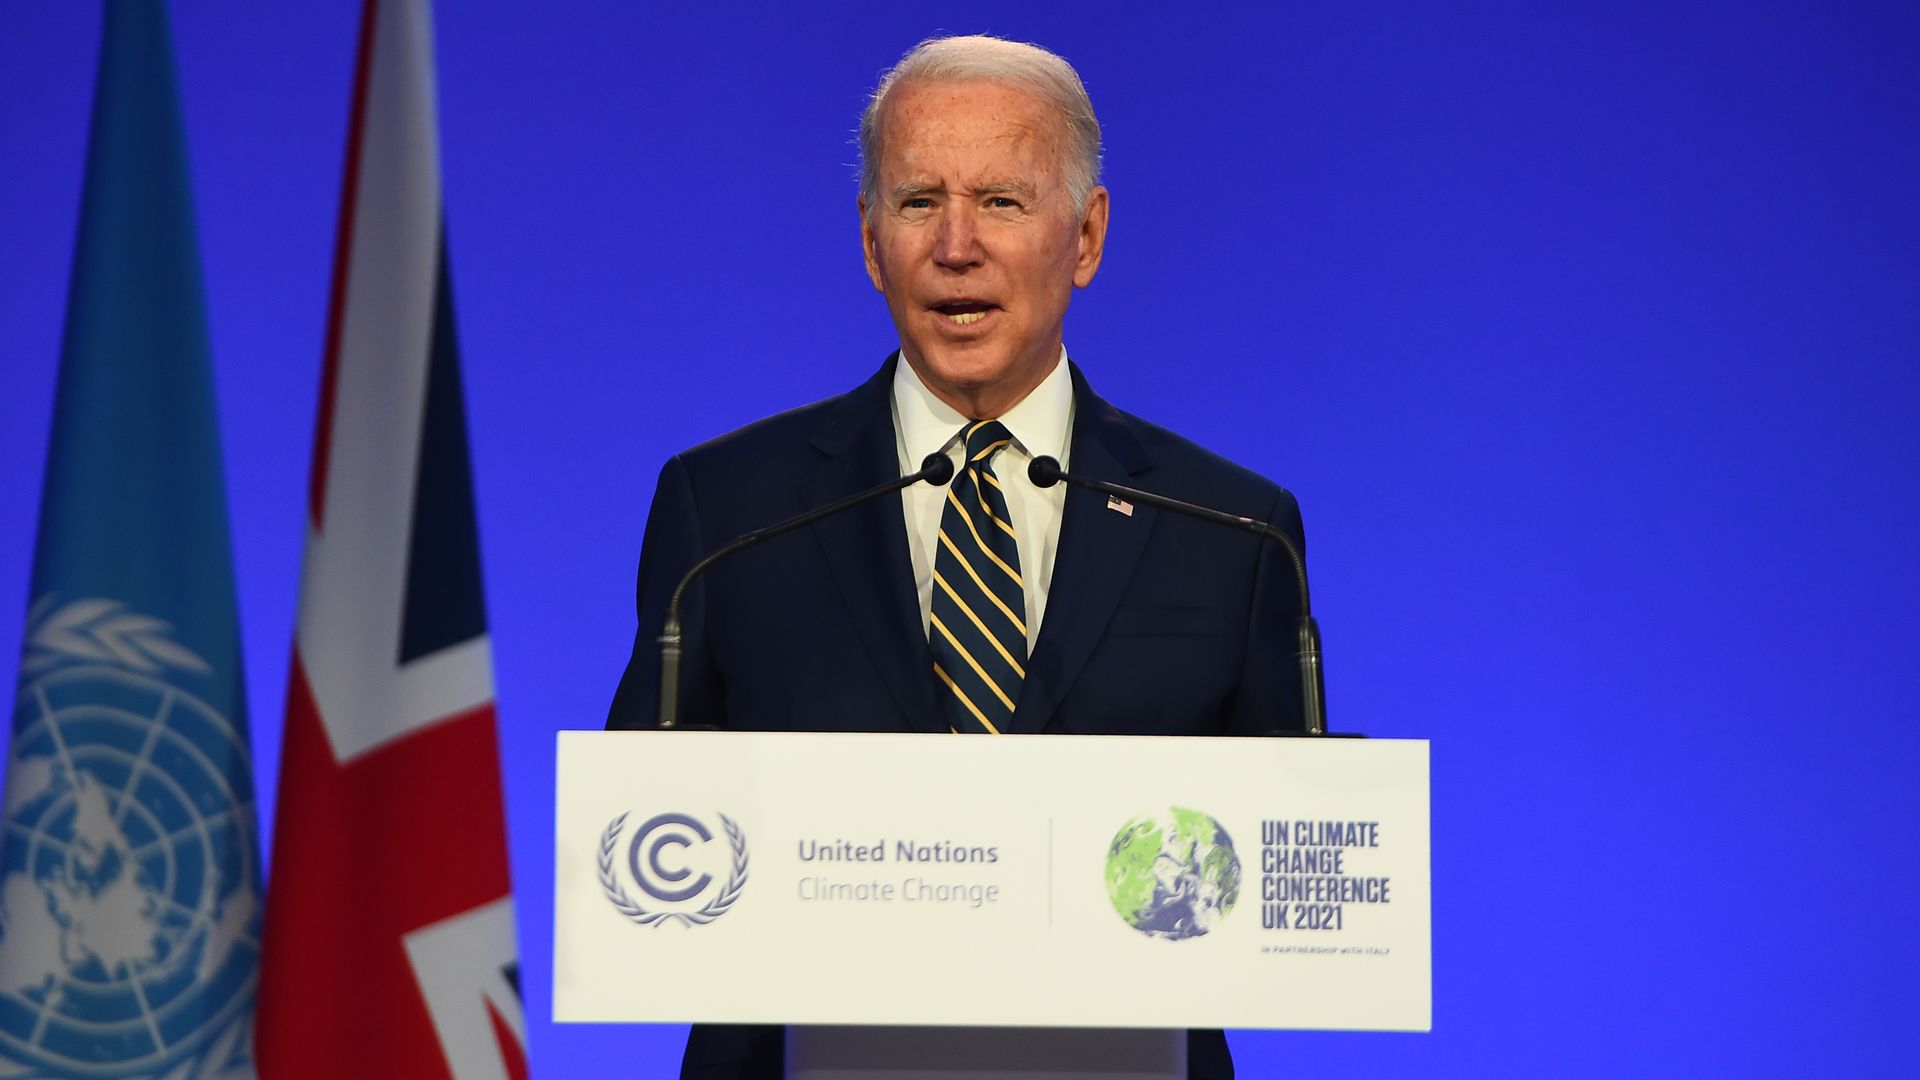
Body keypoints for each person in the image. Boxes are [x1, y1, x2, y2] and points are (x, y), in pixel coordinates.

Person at [607, 33, 1307, 1080]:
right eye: (919, 200)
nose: (957, 246)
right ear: (869, 241)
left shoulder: (1231, 530)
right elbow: (652, 847)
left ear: (1087, 236)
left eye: (1004, 202)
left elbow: (1282, 886)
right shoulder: (729, 512)